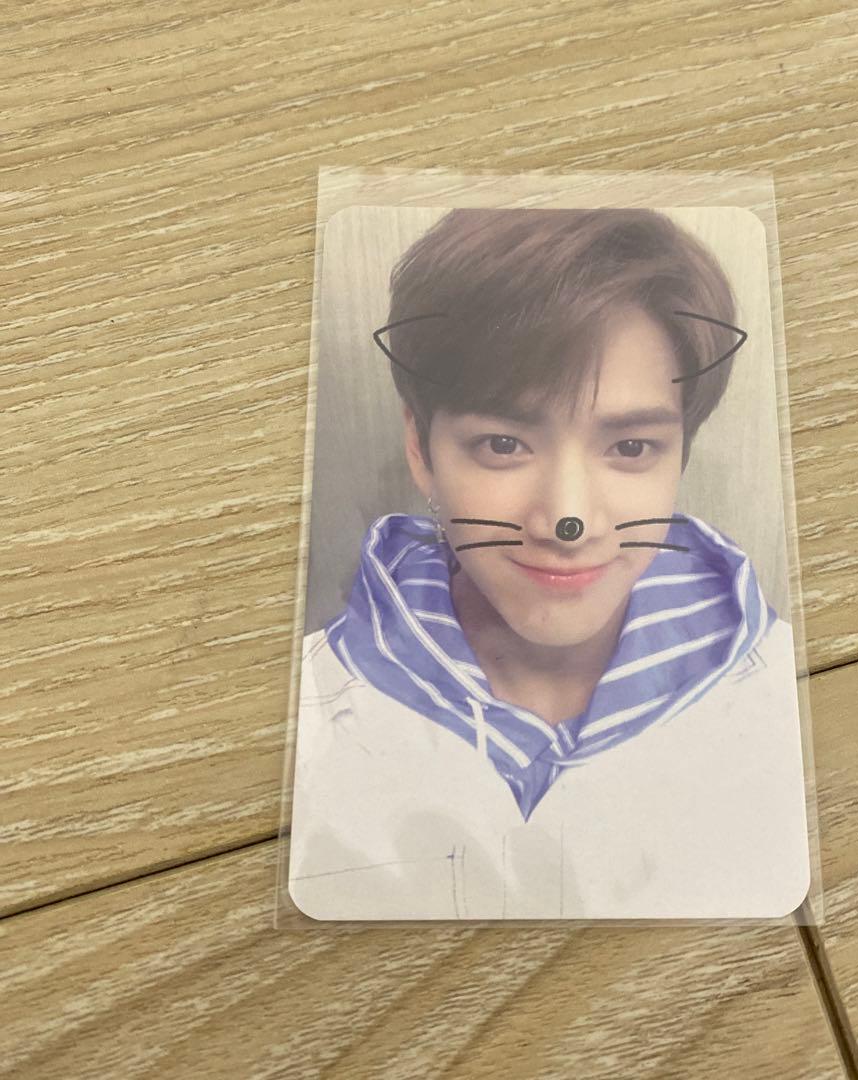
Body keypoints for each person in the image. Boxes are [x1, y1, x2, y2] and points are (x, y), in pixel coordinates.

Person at [287, 208, 810, 920]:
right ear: (421, 449)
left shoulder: (788, 693)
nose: (569, 520)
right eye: (503, 445)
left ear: (679, 454)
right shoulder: (304, 706)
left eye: (631, 448)